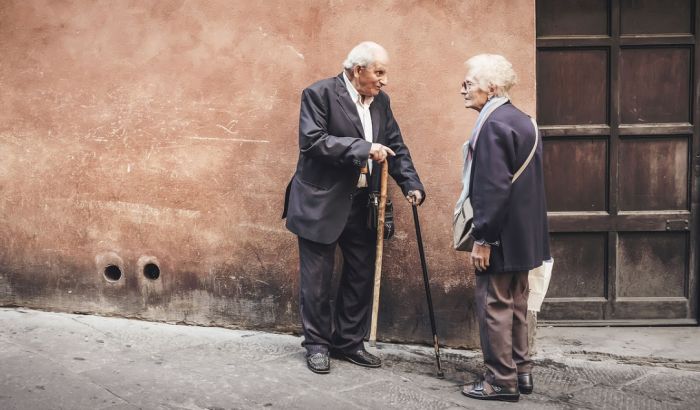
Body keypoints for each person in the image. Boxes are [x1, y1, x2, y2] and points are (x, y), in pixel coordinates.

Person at [282, 41, 425, 374]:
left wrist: (412, 185)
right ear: (358, 70)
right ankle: (317, 345)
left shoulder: (381, 102)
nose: (384, 80)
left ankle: (348, 342)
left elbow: (396, 146)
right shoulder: (318, 94)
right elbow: (313, 141)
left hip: (363, 203)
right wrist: (363, 148)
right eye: (379, 72)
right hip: (320, 202)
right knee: (316, 281)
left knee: (360, 275)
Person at [456, 54, 550, 402]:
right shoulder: (524, 120)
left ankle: (500, 381)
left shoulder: (493, 124)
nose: (462, 89)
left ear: (491, 87)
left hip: (500, 237)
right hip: (524, 237)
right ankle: (522, 372)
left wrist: (483, 238)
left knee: (494, 305)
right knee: (517, 304)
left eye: (468, 83)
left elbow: (492, 188)